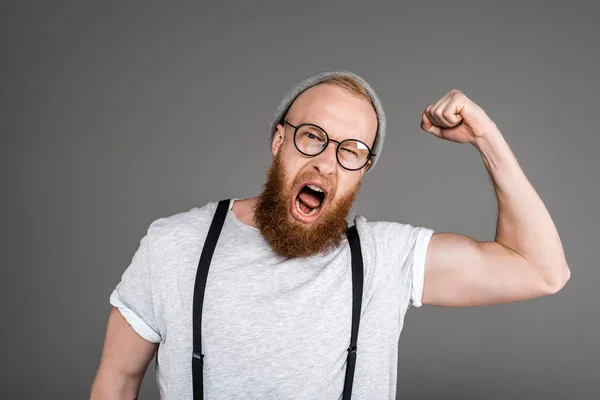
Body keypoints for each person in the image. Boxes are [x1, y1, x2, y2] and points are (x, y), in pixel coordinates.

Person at [90, 70, 570, 399]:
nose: (326, 162)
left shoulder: (385, 260)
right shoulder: (175, 246)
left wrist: (486, 137)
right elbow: (116, 381)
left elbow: (540, 270)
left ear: (363, 171)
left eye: (351, 150)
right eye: (313, 137)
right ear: (280, 141)